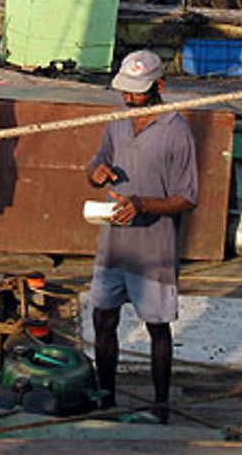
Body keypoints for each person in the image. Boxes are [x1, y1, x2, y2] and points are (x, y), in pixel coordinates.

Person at [87, 50, 198, 424]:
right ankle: (106, 398)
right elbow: (96, 161)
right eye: (126, 91)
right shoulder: (117, 121)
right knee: (103, 319)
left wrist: (143, 205)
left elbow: (187, 197)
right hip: (113, 245)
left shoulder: (176, 130)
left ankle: (161, 404)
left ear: (159, 86)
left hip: (154, 248)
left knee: (157, 326)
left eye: (137, 91)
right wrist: (96, 172)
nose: (130, 98)